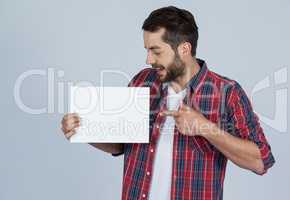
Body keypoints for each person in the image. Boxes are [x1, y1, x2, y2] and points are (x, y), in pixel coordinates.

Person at [61, 6, 275, 200]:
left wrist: (205, 127)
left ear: (184, 49)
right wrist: (84, 130)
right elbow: (119, 145)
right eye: (147, 50)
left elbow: (260, 160)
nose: (148, 60)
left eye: (156, 51)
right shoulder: (142, 82)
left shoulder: (227, 93)